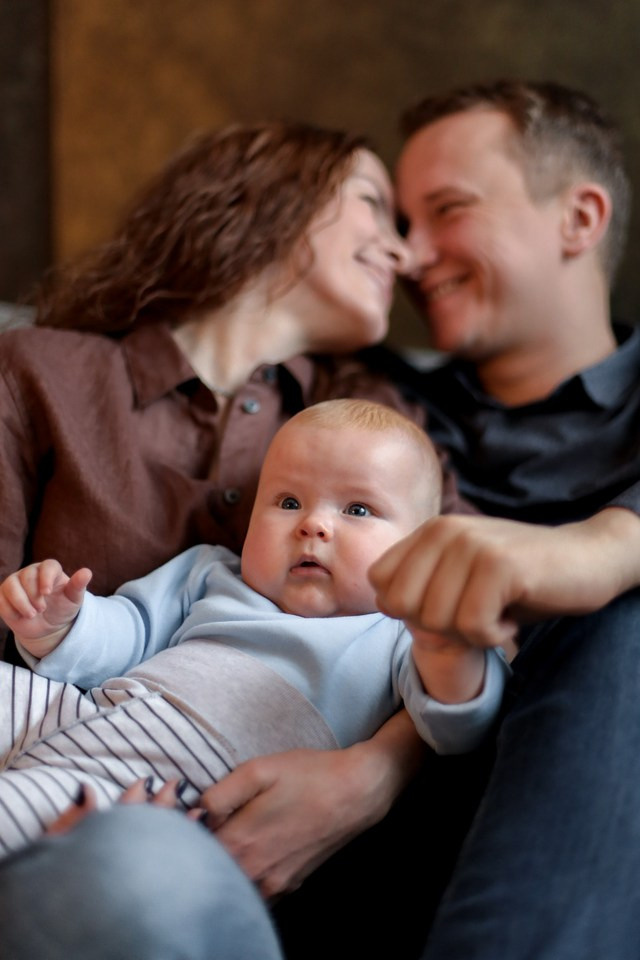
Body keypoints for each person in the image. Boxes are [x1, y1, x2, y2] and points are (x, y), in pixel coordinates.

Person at [0, 121, 469, 959]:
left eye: (356, 511)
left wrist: (377, 773)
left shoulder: (388, 433)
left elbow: (464, 625)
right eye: (375, 206)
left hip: (205, 828)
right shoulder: (41, 371)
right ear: (270, 199)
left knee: (128, 873)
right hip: (57, 722)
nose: (403, 255)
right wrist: (53, 623)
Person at [366, 79, 640, 959]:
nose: (410, 257)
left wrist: (603, 547)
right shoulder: (373, 395)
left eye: (446, 211)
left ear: (579, 218)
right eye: (402, 225)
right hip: (404, 790)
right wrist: (376, 767)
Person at [0, 399, 507, 861]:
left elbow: (458, 722)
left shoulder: (399, 632)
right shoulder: (211, 572)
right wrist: (63, 623)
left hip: (157, 792)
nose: (313, 525)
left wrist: (448, 648)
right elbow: (129, 630)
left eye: (356, 509)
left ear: (420, 552)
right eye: (288, 502)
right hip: (83, 711)